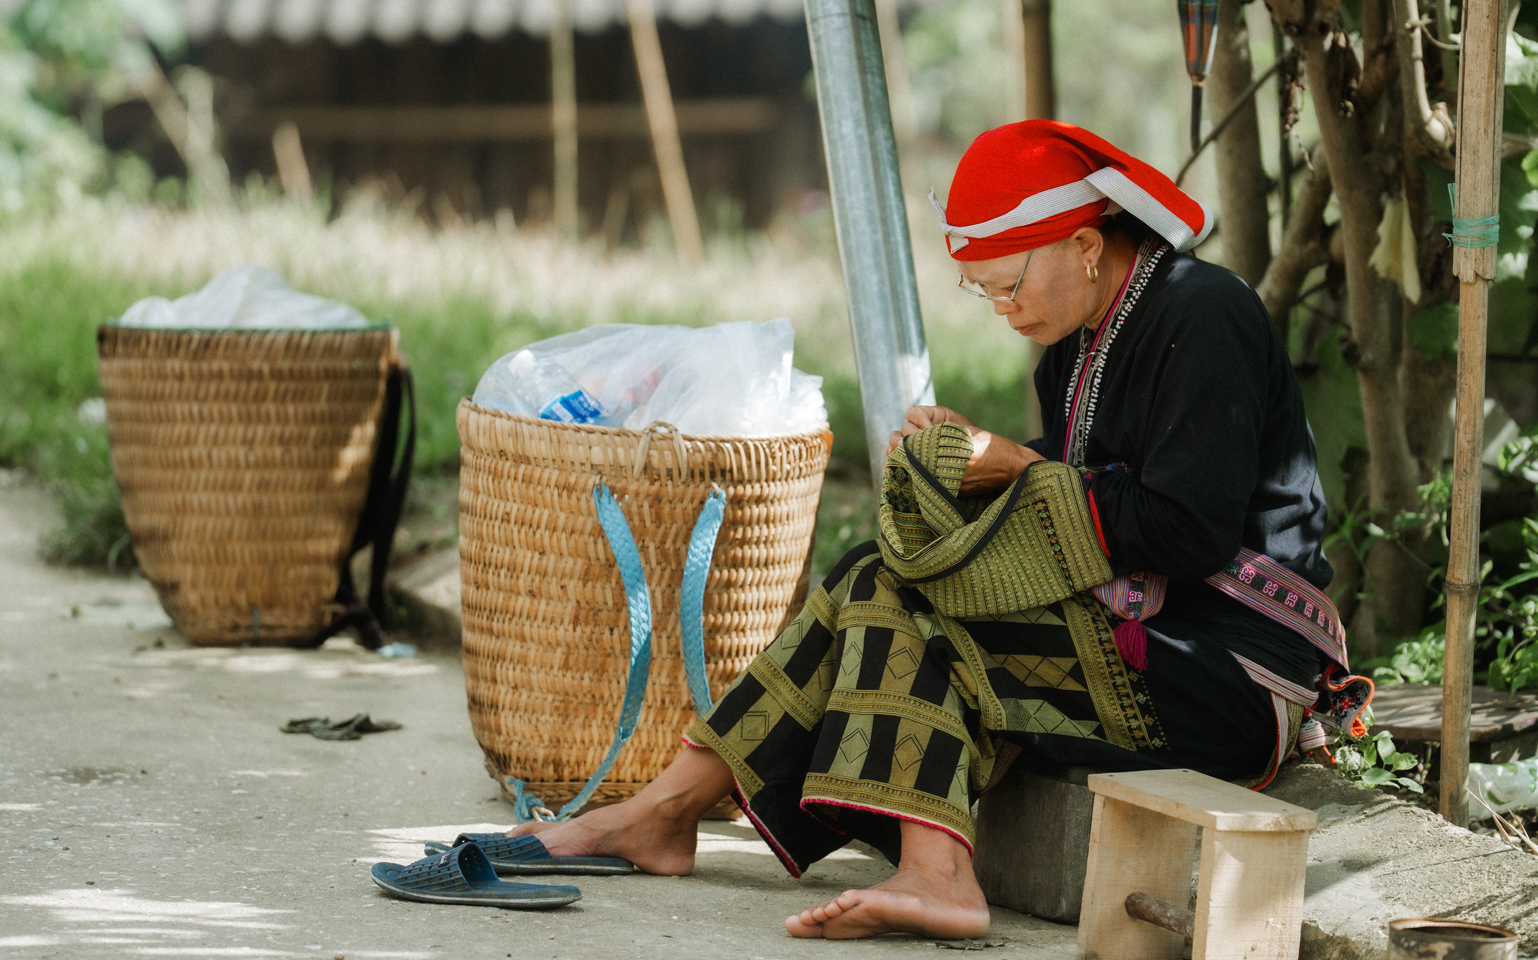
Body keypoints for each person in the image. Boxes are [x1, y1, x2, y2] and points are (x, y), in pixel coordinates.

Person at [510, 120, 1359, 941]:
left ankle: (919, 871)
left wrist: (1014, 470)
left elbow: (1189, 529)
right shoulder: (1079, 340)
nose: (1000, 308)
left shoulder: (1202, 314)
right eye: (980, 290)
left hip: (1228, 673)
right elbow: (1090, 485)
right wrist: (970, 462)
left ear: (1084, 245)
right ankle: (671, 813)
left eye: (1008, 284)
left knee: (906, 594)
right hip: (1137, 632)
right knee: (872, 569)